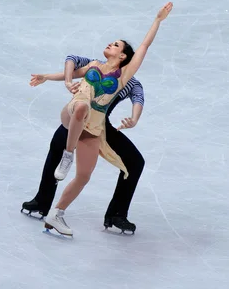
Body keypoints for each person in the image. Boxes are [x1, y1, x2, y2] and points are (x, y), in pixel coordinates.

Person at [36, 1, 173, 236]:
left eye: (116, 44)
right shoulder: (92, 64)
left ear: (122, 56)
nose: (111, 43)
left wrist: (157, 21)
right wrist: (46, 76)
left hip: (94, 126)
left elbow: (144, 47)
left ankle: (56, 214)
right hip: (74, 111)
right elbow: (69, 70)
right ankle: (67, 156)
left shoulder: (124, 76)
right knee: (81, 107)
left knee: (84, 176)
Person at [21, 54, 146, 234]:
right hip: (78, 117)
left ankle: (116, 214)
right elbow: (72, 59)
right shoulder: (97, 65)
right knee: (58, 146)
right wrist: (65, 80)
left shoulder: (130, 82)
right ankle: (42, 201)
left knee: (134, 162)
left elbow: (138, 98)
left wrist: (134, 119)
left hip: (99, 125)